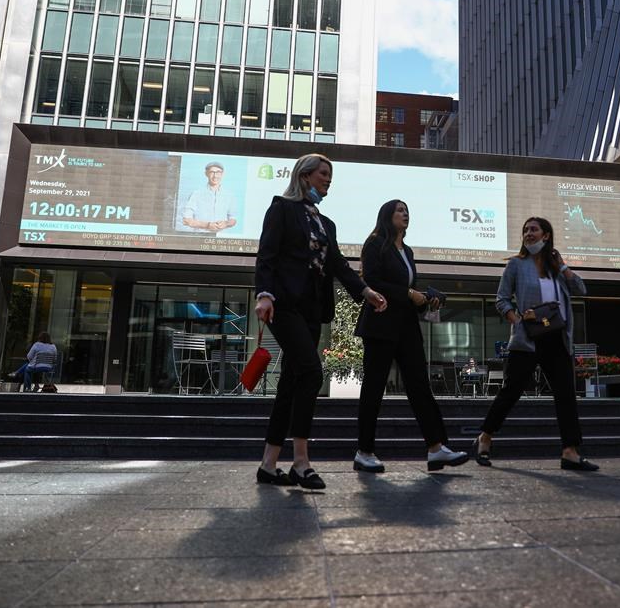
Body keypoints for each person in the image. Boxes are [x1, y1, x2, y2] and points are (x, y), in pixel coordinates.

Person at [254, 153, 387, 490]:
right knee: (312, 372)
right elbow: (267, 254)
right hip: (284, 305)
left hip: (313, 310)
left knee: (290, 385)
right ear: (304, 175)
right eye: (323, 173)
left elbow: (339, 266)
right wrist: (265, 294)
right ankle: (301, 462)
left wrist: (366, 291)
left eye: (331, 175)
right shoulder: (281, 209)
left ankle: (268, 465)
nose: (328, 179)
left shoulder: (327, 224)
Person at [353, 200, 469, 473]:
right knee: (374, 388)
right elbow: (371, 281)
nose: (405, 214)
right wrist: (407, 294)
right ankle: (364, 451)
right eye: (399, 210)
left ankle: (436, 448)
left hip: (406, 326)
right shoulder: (375, 244)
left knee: (420, 385)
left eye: (407, 211)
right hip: (380, 326)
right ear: (387, 216)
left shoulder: (407, 251)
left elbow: (407, 288)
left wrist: (425, 300)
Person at [474, 217, 598, 471]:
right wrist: (517, 319)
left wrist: (562, 266)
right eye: (525, 230)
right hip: (528, 338)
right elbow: (501, 299)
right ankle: (485, 436)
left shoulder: (556, 269)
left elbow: (581, 289)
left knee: (565, 394)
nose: (528, 234)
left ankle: (570, 451)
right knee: (511, 391)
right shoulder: (516, 266)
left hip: (557, 337)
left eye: (534, 229)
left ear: (546, 236)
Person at [181, 161, 237, 233]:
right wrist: (207, 225)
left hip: (222, 240)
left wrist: (226, 223)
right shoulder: (196, 194)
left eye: (218, 172)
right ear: (206, 174)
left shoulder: (229, 195)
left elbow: (233, 219)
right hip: (200, 238)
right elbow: (186, 220)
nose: (215, 176)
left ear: (222, 174)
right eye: (212, 172)